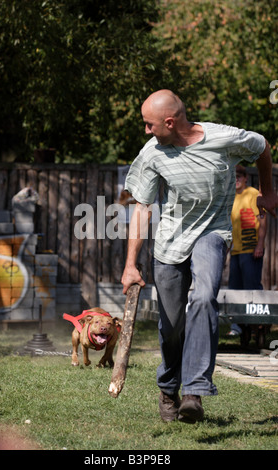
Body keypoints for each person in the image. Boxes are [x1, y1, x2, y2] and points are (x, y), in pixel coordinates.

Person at [121, 89, 278, 424]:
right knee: (172, 325)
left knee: (205, 297)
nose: (146, 131)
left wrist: (267, 192)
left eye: (150, 125)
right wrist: (130, 264)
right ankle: (168, 389)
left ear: (170, 121)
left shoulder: (224, 139)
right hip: (169, 244)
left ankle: (194, 390)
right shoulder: (153, 153)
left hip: (212, 233)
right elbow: (142, 209)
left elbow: (262, 146)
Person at [228, 164, 267, 341]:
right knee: (234, 290)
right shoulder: (230, 198)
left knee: (251, 288)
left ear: (245, 178)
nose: (236, 179)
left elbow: (262, 219)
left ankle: (257, 325)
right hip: (235, 251)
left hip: (251, 250)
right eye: (233, 176)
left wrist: (260, 244)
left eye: (239, 176)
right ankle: (237, 326)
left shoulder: (252, 194)